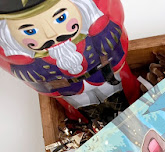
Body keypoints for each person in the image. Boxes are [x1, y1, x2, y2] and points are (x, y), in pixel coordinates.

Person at [0, 0, 140, 120]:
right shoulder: (29, 64)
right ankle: (95, 125)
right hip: (70, 91)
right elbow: (32, 77)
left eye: (61, 18)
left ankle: (132, 109)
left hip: (105, 77)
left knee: (121, 96)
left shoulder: (98, 35)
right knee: (86, 110)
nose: (51, 35)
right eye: (30, 31)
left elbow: (113, 34)